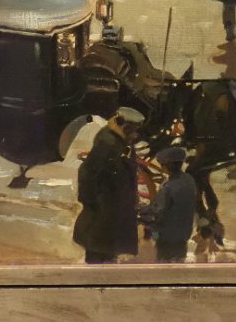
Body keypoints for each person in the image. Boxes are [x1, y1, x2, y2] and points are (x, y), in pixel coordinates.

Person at [73, 107, 145, 264]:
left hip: (114, 206)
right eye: (131, 128)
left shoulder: (121, 140)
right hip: (104, 206)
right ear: (122, 124)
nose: (135, 133)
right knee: (99, 249)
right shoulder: (108, 142)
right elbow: (88, 171)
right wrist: (90, 201)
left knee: (108, 247)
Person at [139, 145, 197, 263]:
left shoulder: (168, 187)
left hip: (166, 235)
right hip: (183, 234)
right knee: (179, 262)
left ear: (166, 166)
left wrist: (140, 210)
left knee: (165, 264)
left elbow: (157, 210)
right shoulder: (188, 180)